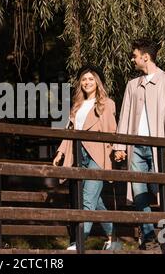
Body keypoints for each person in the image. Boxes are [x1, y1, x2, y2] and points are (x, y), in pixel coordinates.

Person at [114, 38, 165, 251]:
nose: (132, 59)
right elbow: (124, 117)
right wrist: (120, 146)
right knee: (139, 194)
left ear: (145, 57)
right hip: (136, 148)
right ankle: (149, 238)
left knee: (164, 193)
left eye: (134, 55)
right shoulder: (132, 85)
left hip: (160, 147)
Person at [53, 65, 117, 251]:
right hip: (78, 154)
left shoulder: (107, 103)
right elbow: (69, 132)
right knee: (94, 200)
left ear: (97, 82)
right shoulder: (77, 105)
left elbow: (111, 132)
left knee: (87, 199)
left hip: (97, 154)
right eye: (83, 79)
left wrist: (115, 153)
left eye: (90, 79)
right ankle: (113, 234)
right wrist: (61, 152)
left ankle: (78, 243)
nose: (87, 82)